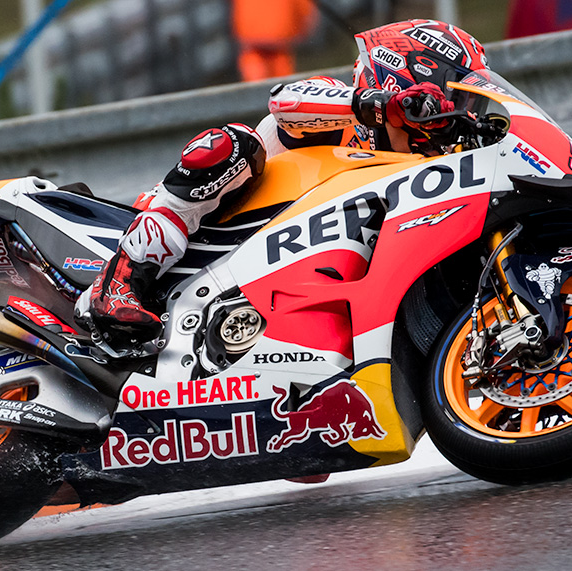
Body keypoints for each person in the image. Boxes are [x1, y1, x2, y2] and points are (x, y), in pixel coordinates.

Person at [85, 19, 489, 349]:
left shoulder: (430, 169)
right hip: (211, 235)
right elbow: (284, 99)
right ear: (408, 75)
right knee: (234, 144)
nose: (460, 112)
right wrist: (376, 105)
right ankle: (120, 281)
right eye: (455, 94)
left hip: (277, 287)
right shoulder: (341, 106)